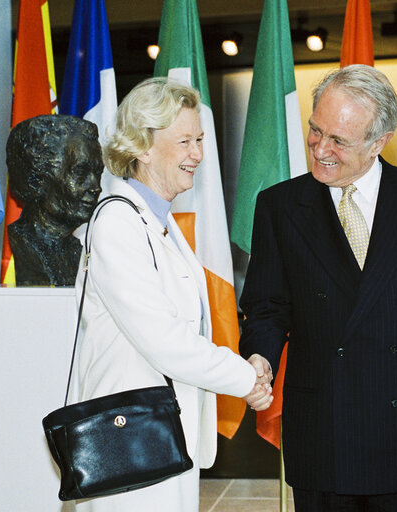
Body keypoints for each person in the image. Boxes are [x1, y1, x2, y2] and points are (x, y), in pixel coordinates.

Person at [239, 64, 397, 512]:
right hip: (324, 429)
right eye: (316, 130)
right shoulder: (279, 205)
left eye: (339, 140)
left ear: (379, 142)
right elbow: (267, 307)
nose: (321, 149)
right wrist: (260, 357)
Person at [71, 77, 272, 512]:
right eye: (184, 141)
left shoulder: (159, 223)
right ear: (142, 147)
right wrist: (244, 379)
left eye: (199, 140)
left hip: (163, 440)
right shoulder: (117, 224)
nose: (197, 155)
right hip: (130, 445)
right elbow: (165, 341)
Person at [6, 115, 104, 286]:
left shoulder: (81, 254)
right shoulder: (18, 246)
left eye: (97, 173)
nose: (96, 187)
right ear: (38, 179)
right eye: (80, 173)